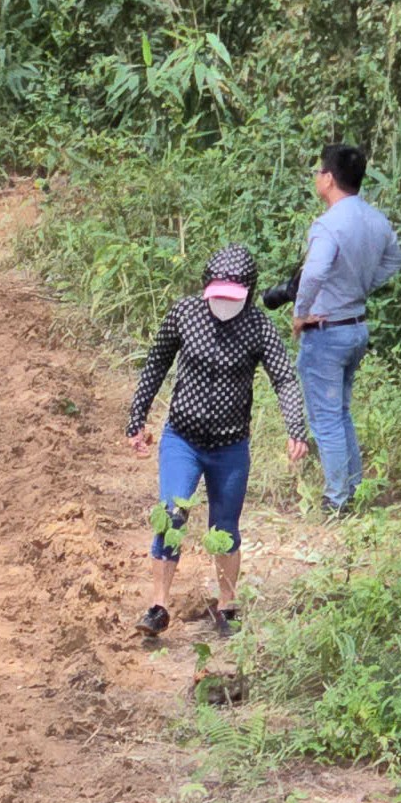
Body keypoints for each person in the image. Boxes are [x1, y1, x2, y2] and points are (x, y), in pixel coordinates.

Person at [125, 246, 310, 638]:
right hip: (183, 440)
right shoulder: (185, 315)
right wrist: (136, 419)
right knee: (171, 513)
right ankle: (158, 606)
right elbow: (156, 364)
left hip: (230, 448)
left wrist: (296, 428)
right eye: (218, 296)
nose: (224, 305)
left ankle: (227, 605)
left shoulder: (258, 327)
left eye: (233, 297)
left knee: (224, 527)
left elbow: (284, 379)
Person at [291, 144, 401, 516]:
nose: (316, 178)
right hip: (356, 327)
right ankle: (353, 487)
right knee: (339, 412)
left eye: (318, 172)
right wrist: (363, 285)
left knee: (325, 419)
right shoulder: (375, 220)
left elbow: (316, 271)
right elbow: (394, 259)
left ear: (328, 178)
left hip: (327, 332)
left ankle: (337, 500)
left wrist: (300, 312)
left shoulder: (329, 225)